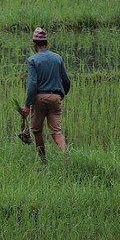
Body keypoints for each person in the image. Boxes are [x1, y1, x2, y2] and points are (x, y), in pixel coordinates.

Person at [20, 28, 71, 163]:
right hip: (56, 98)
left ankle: (43, 161)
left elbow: (32, 84)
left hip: (39, 99)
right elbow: (67, 81)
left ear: (34, 44)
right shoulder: (57, 58)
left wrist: (27, 105)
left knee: (36, 131)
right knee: (56, 132)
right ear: (47, 43)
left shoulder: (32, 60)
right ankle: (65, 155)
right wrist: (61, 95)